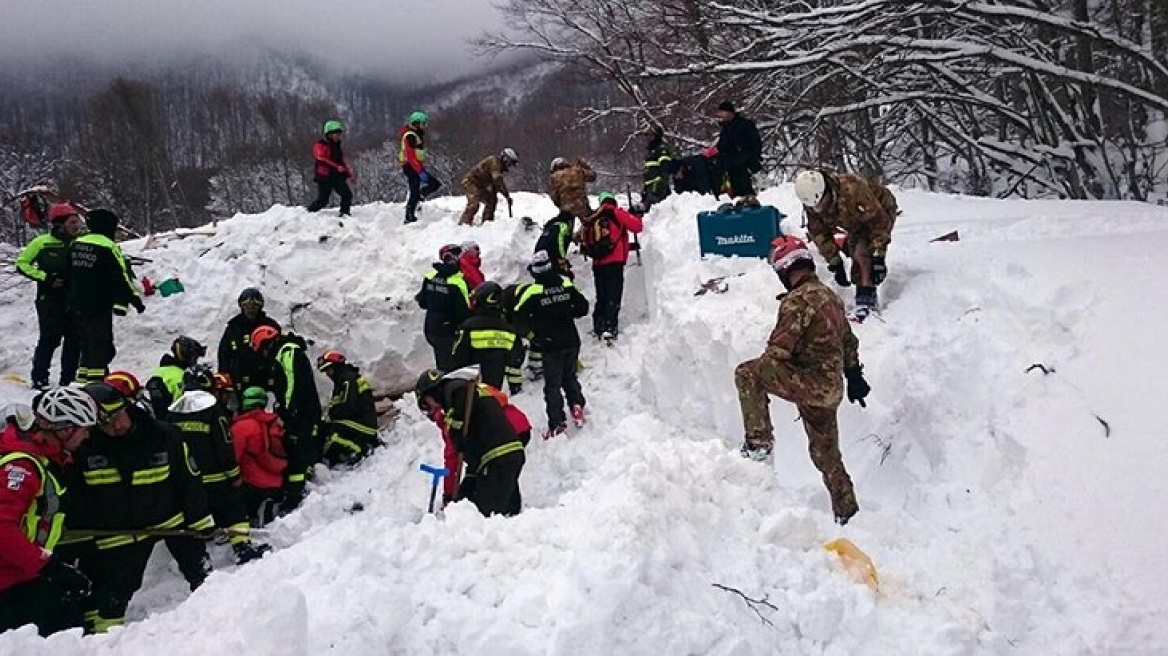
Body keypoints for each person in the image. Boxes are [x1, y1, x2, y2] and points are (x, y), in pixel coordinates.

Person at [733, 235, 871, 525]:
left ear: (785, 269)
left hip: (810, 383)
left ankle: (758, 445)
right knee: (827, 456)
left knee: (748, 373)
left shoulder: (798, 301)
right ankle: (849, 513)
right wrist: (855, 374)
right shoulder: (829, 296)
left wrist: (776, 371)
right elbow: (848, 340)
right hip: (830, 388)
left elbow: (776, 354)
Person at [67, 382, 216, 633]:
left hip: (173, 524)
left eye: (117, 416)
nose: (116, 426)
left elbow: (189, 481)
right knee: (110, 600)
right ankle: (102, 644)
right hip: (119, 535)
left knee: (207, 581)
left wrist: (201, 523)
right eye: (105, 424)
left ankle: (223, 623)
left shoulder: (165, 435)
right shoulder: (85, 449)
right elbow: (80, 500)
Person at [0, 388, 98, 636]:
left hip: (22, 573)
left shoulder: (48, 459)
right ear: (65, 430)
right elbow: (2, 527)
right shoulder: (23, 466)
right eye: (84, 428)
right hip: (9, 579)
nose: (87, 435)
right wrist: (47, 566)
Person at [168, 365, 268, 564]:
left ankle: (201, 558)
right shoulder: (214, 412)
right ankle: (242, 547)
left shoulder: (172, 415)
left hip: (188, 482)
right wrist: (233, 474)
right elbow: (224, 445)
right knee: (234, 509)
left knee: (197, 516)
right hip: (216, 478)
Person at [414, 368, 525, 517]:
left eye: (426, 403)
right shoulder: (455, 400)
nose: (433, 408)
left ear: (432, 392)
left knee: (486, 515)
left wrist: (456, 430)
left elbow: (464, 398)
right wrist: (453, 495)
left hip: (498, 457)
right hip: (493, 458)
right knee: (468, 499)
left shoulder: (456, 390)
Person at [794, 169, 898, 317]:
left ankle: (867, 299)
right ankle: (862, 284)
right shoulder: (812, 202)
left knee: (862, 252)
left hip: (879, 209)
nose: (818, 210)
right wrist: (835, 262)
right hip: (852, 220)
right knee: (856, 249)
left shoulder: (852, 189)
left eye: (821, 204)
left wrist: (878, 256)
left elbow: (879, 223)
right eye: (814, 207)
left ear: (826, 191)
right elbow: (819, 233)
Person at [512, 251, 589, 438]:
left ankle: (557, 422)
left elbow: (516, 317)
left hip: (550, 344)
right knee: (569, 376)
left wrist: (532, 334)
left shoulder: (532, 292)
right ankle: (576, 404)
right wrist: (567, 312)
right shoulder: (565, 283)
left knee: (552, 384)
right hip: (571, 340)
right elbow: (583, 307)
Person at [67, 209, 145, 384]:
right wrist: (134, 299)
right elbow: (121, 276)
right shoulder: (108, 246)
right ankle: (97, 384)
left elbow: (68, 273)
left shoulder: (76, 244)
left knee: (86, 346)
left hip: (76, 304)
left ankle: (82, 381)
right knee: (101, 346)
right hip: (98, 305)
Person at [250, 325, 320, 514]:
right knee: (297, 452)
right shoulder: (285, 352)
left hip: (300, 414)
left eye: (264, 349)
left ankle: (296, 497)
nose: (264, 354)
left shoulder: (287, 351)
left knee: (297, 455)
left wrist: (288, 412)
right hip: (300, 413)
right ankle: (300, 492)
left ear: (268, 342)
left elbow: (292, 384)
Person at [15, 203, 85, 389]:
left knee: (74, 340)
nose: (76, 226)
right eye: (72, 222)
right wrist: (46, 278)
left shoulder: (79, 243)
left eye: (77, 222)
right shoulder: (42, 242)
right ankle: (40, 378)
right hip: (50, 300)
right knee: (50, 339)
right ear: (59, 224)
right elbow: (22, 264)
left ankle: (68, 379)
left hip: (74, 299)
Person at [580, 192, 643, 341]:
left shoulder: (594, 216)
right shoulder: (616, 213)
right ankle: (609, 327)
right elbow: (637, 227)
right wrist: (637, 215)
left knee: (601, 296)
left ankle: (598, 326)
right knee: (613, 296)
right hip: (615, 263)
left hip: (598, 262)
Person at [451, 282, 526, 394]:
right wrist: (515, 386)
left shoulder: (468, 326)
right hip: (494, 389)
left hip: (470, 387)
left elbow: (457, 354)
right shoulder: (509, 330)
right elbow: (516, 359)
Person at [230, 387, 287, 527]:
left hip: (253, 485)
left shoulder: (241, 427)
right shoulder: (274, 422)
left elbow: (232, 459)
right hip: (278, 480)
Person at [316, 350, 380, 467]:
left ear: (335, 366)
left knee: (330, 431)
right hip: (359, 421)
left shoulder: (347, 379)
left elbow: (347, 406)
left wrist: (330, 418)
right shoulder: (343, 380)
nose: (327, 374)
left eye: (328, 370)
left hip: (364, 424)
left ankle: (360, 450)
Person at [415, 244, 471, 372]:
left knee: (442, 363)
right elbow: (463, 313)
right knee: (452, 369)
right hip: (448, 332)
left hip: (431, 328)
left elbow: (422, 302)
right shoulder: (457, 282)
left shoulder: (430, 277)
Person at [217, 287, 282, 397]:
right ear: (242, 307)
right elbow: (224, 355)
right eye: (247, 305)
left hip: (266, 383)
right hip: (239, 385)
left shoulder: (270, 326)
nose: (251, 309)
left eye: (255, 305)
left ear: (260, 307)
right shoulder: (233, 327)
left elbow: (279, 352)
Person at [713, 101, 762, 206]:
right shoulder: (725, 128)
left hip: (744, 165)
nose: (720, 115)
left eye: (722, 112)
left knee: (747, 192)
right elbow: (723, 146)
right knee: (737, 195)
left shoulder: (744, 125)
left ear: (729, 112)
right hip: (731, 167)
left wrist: (751, 160)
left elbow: (755, 144)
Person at [144, 335, 207, 418]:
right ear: (187, 356)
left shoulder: (161, 371)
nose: (195, 361)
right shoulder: (181, 376)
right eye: (195, 357)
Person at [398, 110, 441, 224]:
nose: (425, 126)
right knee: (415, 190)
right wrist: (419, 171)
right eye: (423, 124)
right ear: (417, 123)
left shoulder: (417, 134)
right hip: (410, 166)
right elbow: (410, 155)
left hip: (415, 166)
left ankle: (418, 198)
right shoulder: (410, 136)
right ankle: (409, 215)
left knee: (434, 184)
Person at [306, 119, 354, 216]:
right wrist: (337, 167)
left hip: (336, 177)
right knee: (323, 201)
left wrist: (349, 174)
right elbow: (321, 158)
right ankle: (308, 213)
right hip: (325, 177)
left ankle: (344, 214)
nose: (339, 136)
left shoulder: (337, 146)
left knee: (347, 195)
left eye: (340, 134)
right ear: (329, 134)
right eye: (337, 134)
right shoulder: (320, 145)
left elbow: (341, 162)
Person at [458, 148, 518, 225]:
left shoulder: (499, 168)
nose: (509, 166)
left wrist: (505, 196)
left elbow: (495, 186)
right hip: (470, 182)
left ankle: (487, 224)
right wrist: (506, 195)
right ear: (505, 158)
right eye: (509, 163)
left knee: (492, 200)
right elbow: (497, 181)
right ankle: (463, 224)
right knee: (474, 203)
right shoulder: (494, 162)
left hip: (480, 185)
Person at [548, 157, 596, 223]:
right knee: (589, 224)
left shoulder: (553, 177)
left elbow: (554, 196)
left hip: (566, 207)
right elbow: (593, 176)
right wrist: (584, 165)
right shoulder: (577, 171)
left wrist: (560, 205)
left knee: (566, 228)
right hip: (582, 204)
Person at [534, 210, 575, 279]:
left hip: (539, 254)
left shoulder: (551, 226)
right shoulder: (563, 225)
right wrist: (562, 257)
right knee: (563, 275)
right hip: (550, 253)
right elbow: (560, 240)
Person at [641, 125, 674, 210]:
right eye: (647, 135)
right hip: (649, 187)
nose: (648, 138)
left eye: (651, 135)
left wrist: (660, 186)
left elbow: (665, 169)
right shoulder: (652, 151)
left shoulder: (661, 149)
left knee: (657, 212)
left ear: (657, 136)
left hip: (657, 188)